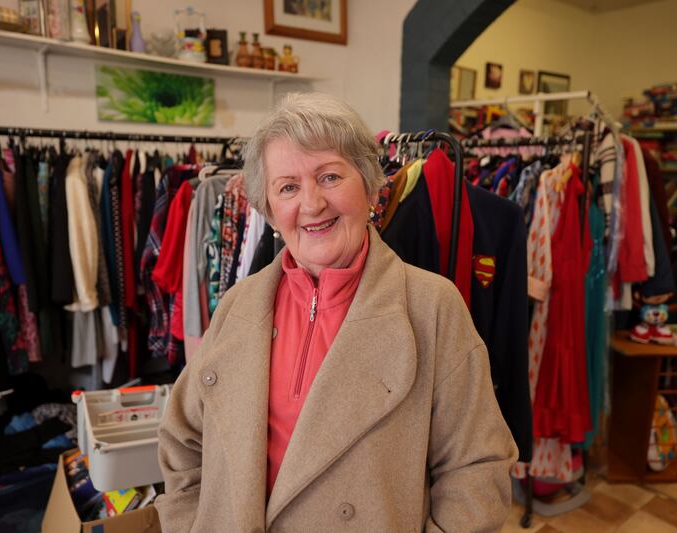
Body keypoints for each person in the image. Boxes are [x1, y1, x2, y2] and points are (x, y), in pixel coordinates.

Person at [155, 92, 517, 532]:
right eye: (287, 187)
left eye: (329, 177)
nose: (311, 204)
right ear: (269, 210)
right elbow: (182, 439)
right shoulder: (239, 305)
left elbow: (478, 468)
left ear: (369, 186)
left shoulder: (431, 307)